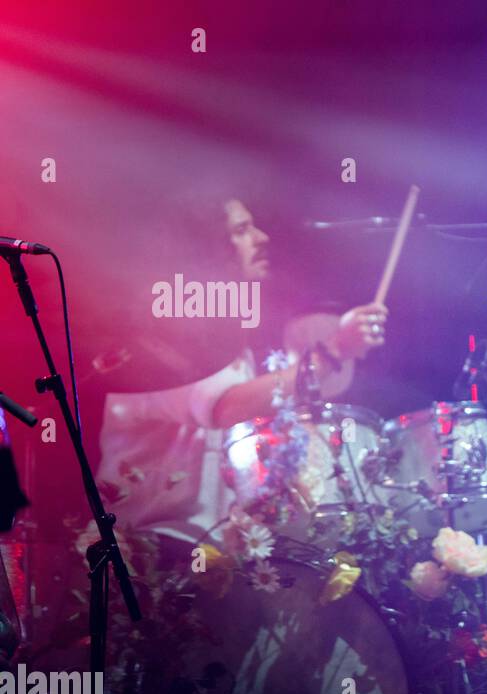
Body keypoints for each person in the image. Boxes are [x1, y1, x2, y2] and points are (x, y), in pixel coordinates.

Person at [94, 196, 388, 545]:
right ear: (203, 247)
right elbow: (225, 407)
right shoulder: (158, 329)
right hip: (152, 550)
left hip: (211, 550)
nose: (261, 237)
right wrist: (335, 350)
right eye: (241, 230)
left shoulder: (224, 337)